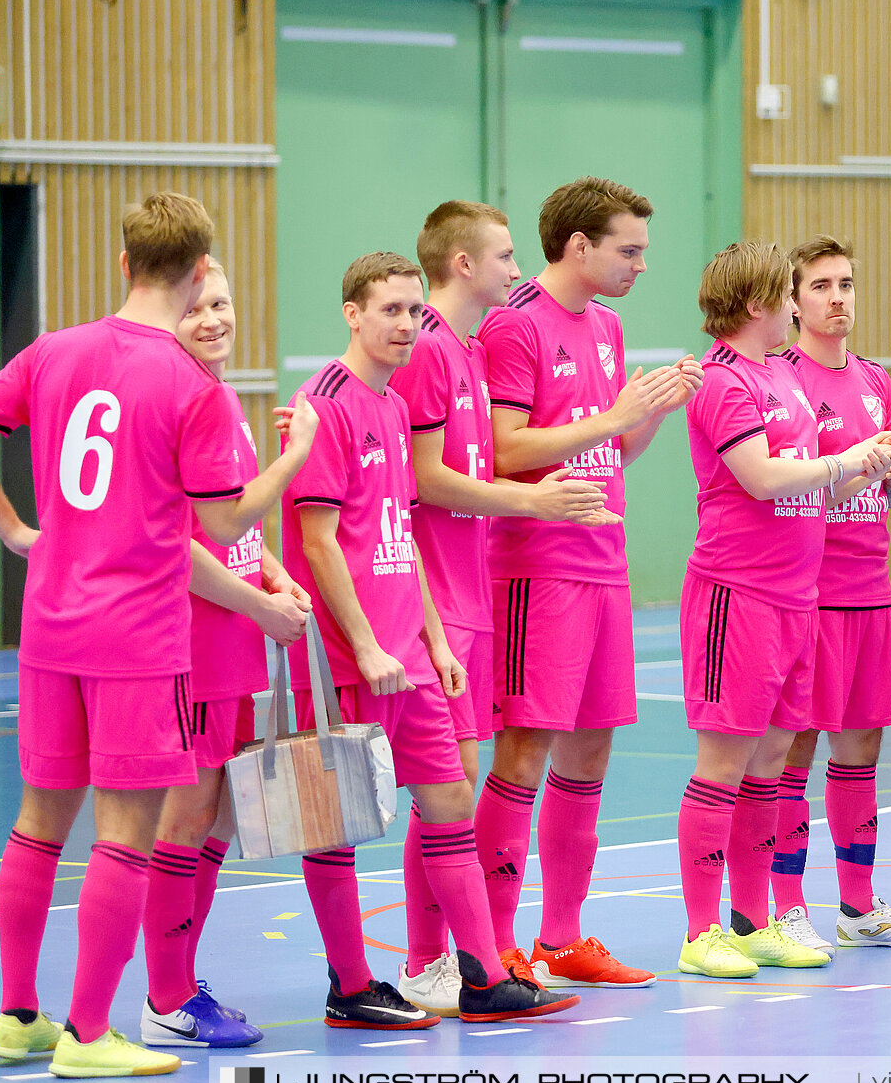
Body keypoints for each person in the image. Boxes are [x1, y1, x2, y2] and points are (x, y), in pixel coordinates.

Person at [0, 192, 307, 1077]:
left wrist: (19, 533)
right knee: (122, 837)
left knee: (35, 827)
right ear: (199, 273)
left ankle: (18, 1014)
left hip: (50, 624)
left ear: (124, 263)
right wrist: (299, 456)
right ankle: (90, 1033)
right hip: (137, 637)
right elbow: (226, 526)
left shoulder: (56, 350)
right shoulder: (192, 385)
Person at [282, 252, 578, 1026]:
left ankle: (481, 976)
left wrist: (433, 640)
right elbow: (317, 544)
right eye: (390, 310)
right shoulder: (324, 403)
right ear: (352, 313)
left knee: (449, 802)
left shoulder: (389, 403)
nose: (408, 325)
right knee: (336, 824)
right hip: (350, 661)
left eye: (415, 310)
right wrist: (368, 647)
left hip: (408, 655)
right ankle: (349, 988)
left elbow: (398, 534)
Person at [391, 200, 623, 1013]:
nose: (517, 270)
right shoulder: (432, 350)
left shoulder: (461, 351)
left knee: (454, 783)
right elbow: (422, 481)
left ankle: (472, 955)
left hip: (471, 592)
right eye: (504, 256)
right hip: (445, 595)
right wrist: (532, 506)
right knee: (446, 785)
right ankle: (435, 959)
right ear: (462, 264)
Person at [475, 179, 700, 989]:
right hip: (537, 567)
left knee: (592, 749)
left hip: (605, 564)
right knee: (525, 749)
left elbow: (607, 454)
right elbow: (504, 450)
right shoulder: (514, 324)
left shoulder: (605, 326)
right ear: (579, 246)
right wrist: (612, 417)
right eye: (628, 250)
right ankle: (494, 942)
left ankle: (564, 936)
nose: (641, 264)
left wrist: (652, 413)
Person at [674, 241, 891, 976]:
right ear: (758, 304)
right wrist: (846, 458)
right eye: (788, 293)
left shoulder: (783, 377)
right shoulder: (722, 380)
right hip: (735, 596)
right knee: (722, 764)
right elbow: (763, 477)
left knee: (770, 766)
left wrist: (869, 466)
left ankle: (751, 920)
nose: (799, 306)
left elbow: (812, 492)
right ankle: (700, 930)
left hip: (797, 597)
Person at [141, 259, 316, 1050]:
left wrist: (274, 575)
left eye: (222, 303)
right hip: (193, 640)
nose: (213, 318)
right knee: (186, 815)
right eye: (196, 308)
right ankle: (165, 997)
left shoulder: (226, 404)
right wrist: (259, 605)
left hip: (237, 634)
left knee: (213, 818)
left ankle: (180, 984)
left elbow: (237, 525)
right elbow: (183, 545)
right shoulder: (176, 397)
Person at [771, 235, 891, 951]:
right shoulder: (778, 379)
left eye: (846, 283)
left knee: (861, 750)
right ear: (791, 301)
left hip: (871, 589)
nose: (838, 298)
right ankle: (783, 908)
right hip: (809, 590)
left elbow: (886, 492)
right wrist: (856, 467)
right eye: (821, 286)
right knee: (792, 754)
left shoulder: (874, 380)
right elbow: (783, 487)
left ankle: (858, 905)